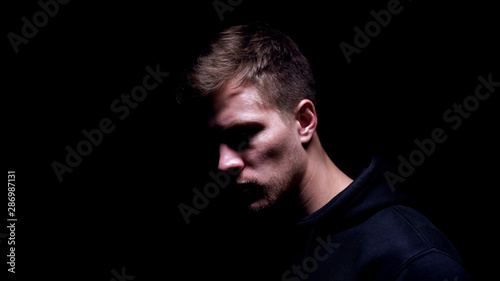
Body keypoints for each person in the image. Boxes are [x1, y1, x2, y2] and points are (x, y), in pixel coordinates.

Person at [177, 22, 471, 281]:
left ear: (304, 122)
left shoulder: (410, 260)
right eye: (216, 141)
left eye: (243, 135)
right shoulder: (251, 237)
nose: (224, 162)